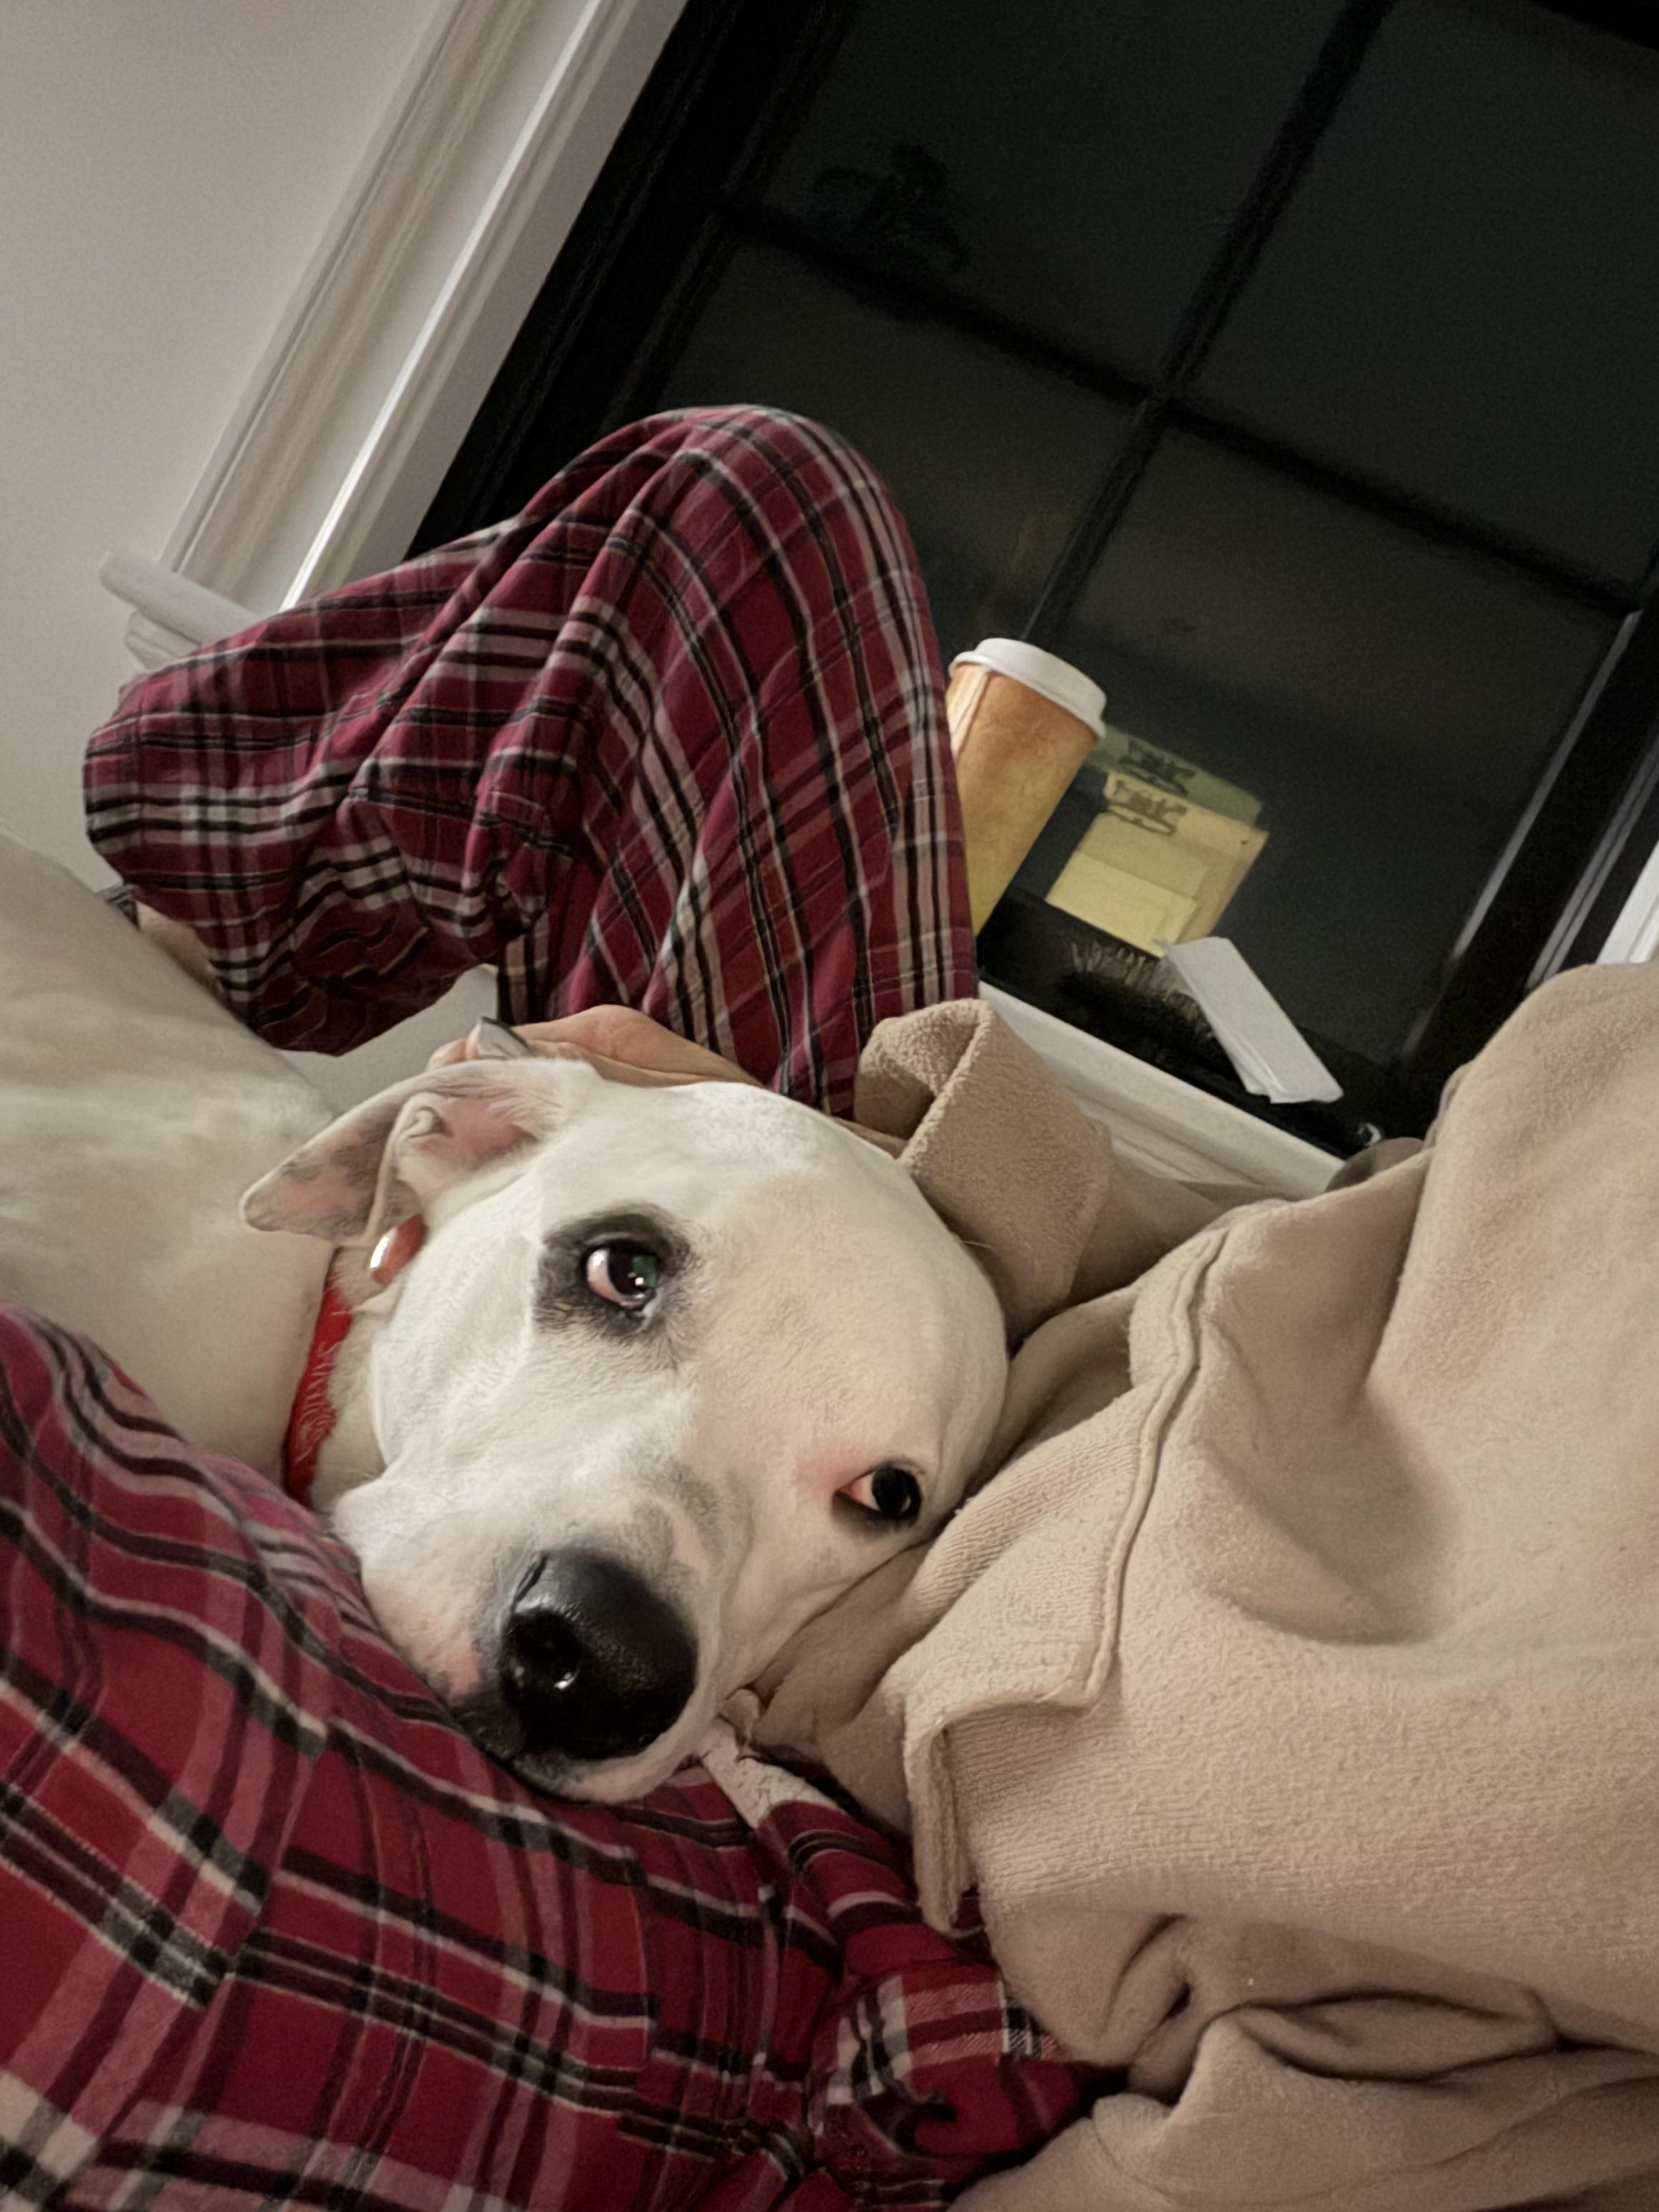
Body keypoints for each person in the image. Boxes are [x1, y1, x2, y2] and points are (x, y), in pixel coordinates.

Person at [1, 408, 1094, 2208]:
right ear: (437, 1155)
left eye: (872, 1492)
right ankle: (216, 915)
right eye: (622, 1277)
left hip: (1077, 1492)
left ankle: (207, 909)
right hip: (984, 1247)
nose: (634, 1556)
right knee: (755, 501)